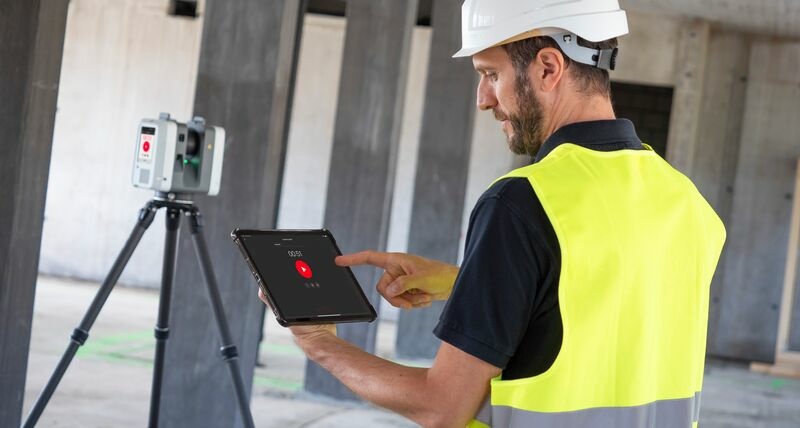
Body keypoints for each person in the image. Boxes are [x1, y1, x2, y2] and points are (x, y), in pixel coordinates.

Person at [259, 1, 726, 426]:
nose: (483, 98)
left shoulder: (523, 202)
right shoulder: (687, 202)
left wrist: (319, 343)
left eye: (491, 74)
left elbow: (441, 406)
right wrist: (468, 281)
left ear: (548, 67)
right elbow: (603, 309)